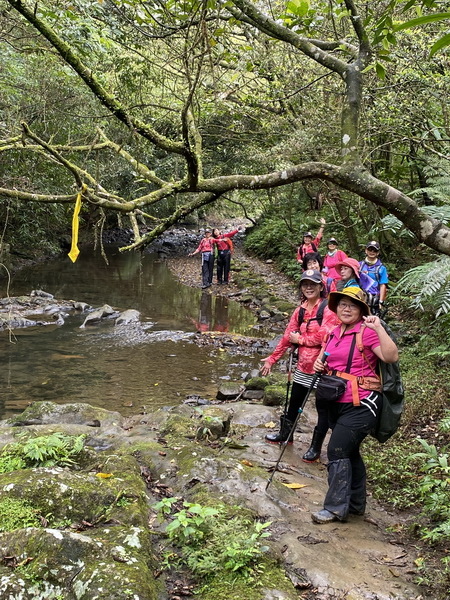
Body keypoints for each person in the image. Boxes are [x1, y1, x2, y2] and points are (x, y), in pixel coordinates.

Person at [311, 287, 398, 524]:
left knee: (337, 451)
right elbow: (324, 360)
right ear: (336, 308)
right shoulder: (333, 332)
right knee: (350, 451)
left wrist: (378, 327)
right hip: (335, 401)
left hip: (362, 404)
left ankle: (336, 508)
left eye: (352, 305)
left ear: (361, 310)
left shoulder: (367, 332)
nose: (346, 309)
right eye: (342, 304)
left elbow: (391, 357)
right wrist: (320, 365)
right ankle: (356, 504)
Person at [260, 269, 338, 445]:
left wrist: (300, 339)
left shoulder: (328, 309)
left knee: (323, 409)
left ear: (320, 286)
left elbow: (325, 337)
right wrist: (273, 358)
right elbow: (288, 336)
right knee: (294, 403)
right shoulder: (300, 311)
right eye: (305, 284)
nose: (308, 287)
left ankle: (316, 447)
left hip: (323, 368)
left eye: (312, 284)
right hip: (303, 366)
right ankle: (286, 436)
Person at [359, 241, 389, 316]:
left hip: (374, 299)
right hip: (360, 296)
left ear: (378, 253)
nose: (372, 252)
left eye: (374, 250)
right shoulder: (359, 265)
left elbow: (383, 285)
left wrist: (381, 301)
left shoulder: (381, 268)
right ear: (366, 250)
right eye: (370, 249)